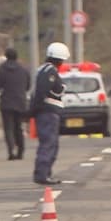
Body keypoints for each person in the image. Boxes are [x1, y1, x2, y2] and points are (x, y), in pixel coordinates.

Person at [30, 42, 69, 185]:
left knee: (49, 143)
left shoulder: (43, 69)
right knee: (48, 144)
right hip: (47, 113)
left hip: (46, 113)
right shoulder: (50, 72)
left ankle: (45, 173)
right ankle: (42, 174)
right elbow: (43, 91)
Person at [0, 48, 31, 160]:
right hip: (20, 102)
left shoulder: (2, 70)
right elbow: (28, 86)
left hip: (6, 103)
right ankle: (21, 151)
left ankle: (11, 151)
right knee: (18, 127)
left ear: (6, 56)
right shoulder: (23, 69)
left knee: (8, 128)